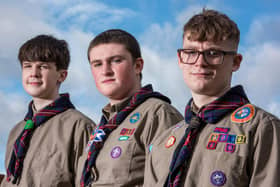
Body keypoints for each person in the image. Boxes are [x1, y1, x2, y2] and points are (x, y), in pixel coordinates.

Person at [144, 9, 280, 187]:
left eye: (213, 53)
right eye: (191, 52)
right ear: (180, 58)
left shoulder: (261, 129)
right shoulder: (163, 141)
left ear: (236, 62)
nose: (200, 62)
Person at [77, 29, 183, 187]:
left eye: (116, 60)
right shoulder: (100, 128)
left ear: (138, 65)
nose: (105, 71)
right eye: (97, 64)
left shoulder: (158, 114)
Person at [1, 35, 95, 187]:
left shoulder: (80, 127)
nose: (34, 73)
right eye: (27, 66)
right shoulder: (17, 131)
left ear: (62, 75)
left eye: (43, 66)